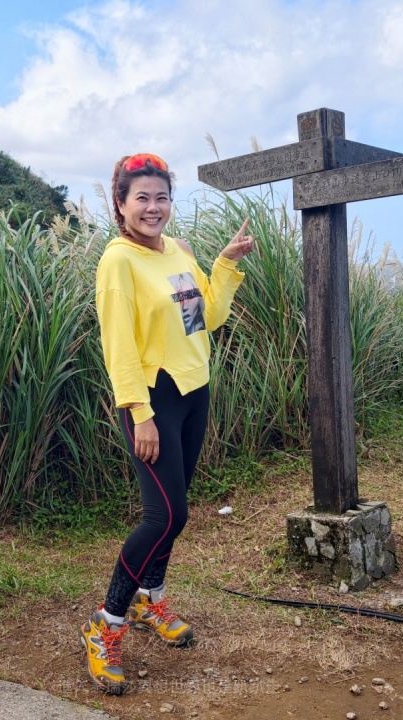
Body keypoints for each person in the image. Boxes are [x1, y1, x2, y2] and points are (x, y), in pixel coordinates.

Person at [80, 153, 256, 694]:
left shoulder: (178, 250)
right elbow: (119, 346)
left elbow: (206, 316)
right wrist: (140, 413)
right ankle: (106, 625)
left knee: (176, 515)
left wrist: (224, 264)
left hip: (193, 390)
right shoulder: (118, 262)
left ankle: (151, 601)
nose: (153, 207)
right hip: (153, 398)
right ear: (121, 205)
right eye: (142, 198)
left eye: (161, 197)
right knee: (164, 516)